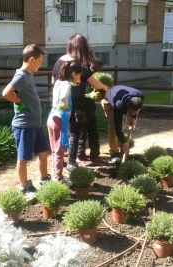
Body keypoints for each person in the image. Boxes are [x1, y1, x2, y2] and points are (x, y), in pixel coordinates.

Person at [52, 33, 109, 172]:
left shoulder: (58, 61)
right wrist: (106, 87)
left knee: (63, 134)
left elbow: (53, 83)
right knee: (75, 134)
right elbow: (94, 82)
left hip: (60, 105)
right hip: (77, 106)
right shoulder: (79, 65)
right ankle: (72, 163)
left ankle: (62, 164)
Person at [2, 44, 50, 199]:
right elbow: (6, 93)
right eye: (40, 61)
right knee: (23, 157)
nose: (41, 64)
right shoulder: (21, 75)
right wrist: (18, 102)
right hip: (24, 125)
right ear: (31, 59)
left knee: (43, 151)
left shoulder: (29, 74)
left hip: (35, 123)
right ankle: (25, 186)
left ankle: (44, 180)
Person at [47, 61, 85, 184]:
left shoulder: (58, 81)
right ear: (74, 74)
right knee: (60, 149)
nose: (79, 78)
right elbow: (63, 97)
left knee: (54, 149)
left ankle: (56, 174)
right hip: (60, 118)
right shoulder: (67, 85)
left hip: (52, 117)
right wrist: (64, 104)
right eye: (79, 75)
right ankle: (58, 178)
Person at [76, 58, 109, 166]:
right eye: (94, 68)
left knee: (94, 133)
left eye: (98, 70)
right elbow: (73, 94)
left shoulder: (94, 78)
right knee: (82, 133)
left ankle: (95, 155)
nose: (95, 71)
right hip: (80, 109)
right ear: (90, 65)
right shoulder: (80, 76)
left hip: (91, 108)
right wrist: (88, 95)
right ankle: (80, 155)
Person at [101, 85, 144, 162]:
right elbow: (117, 126)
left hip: (121, 95)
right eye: (132, 112)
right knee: (113, 126)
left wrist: (133, 118)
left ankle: (121, 148)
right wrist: (124, 142)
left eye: (136, 112)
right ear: (128, 107)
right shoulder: (118, 105)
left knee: (122, 124)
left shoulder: (140, 96)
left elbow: (135, 109)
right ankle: (114, 153)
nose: (133, 113)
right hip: (109, 100)